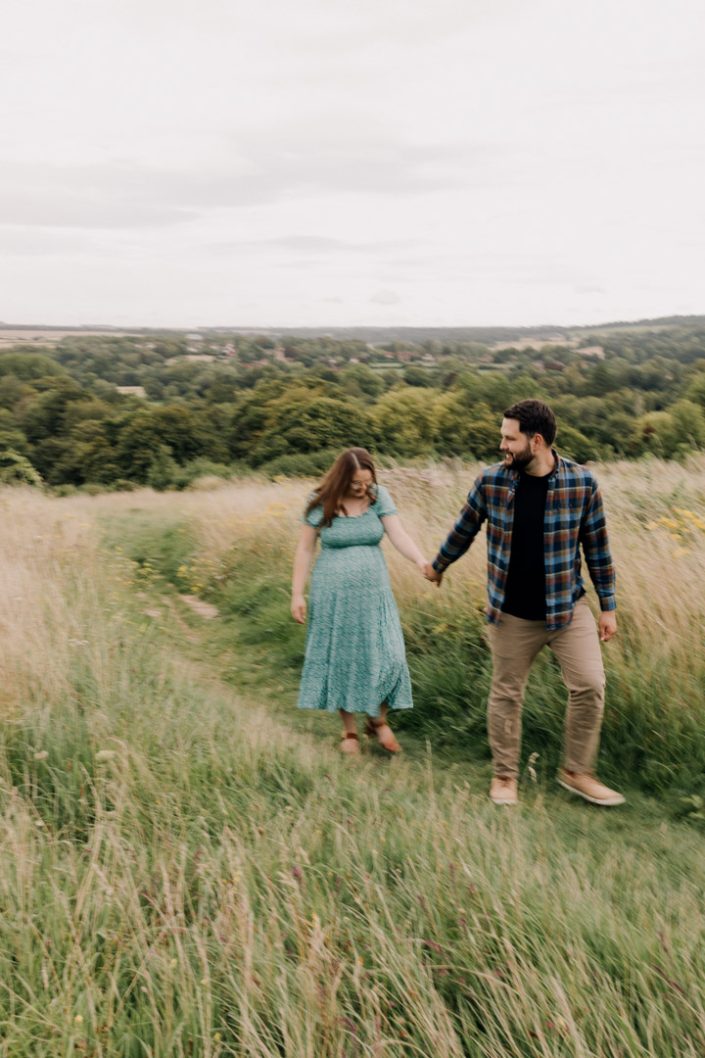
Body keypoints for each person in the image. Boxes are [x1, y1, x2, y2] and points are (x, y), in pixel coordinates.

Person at [424, 399, 624, 808]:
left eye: (508, 438)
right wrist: (438, 564)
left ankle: (577, 771)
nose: (502, 445)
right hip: (510, 612)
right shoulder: (492, 482)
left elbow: (597, 549)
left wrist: (608, 606)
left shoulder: (581, 484)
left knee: (590, 685)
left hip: (567, 609)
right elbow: (464, 528)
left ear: (536, 440)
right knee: (507, 693)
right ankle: (504, 775)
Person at [291, 448, 428, 754]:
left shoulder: (379, 497)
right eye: (355, 483)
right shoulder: (320, 501)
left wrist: (420, 561)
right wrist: (297, 594)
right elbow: (304, 549)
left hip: (374, 595)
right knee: (342, 658)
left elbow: (398, 534)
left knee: (388, 656)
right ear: (342, 477)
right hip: (332, 595)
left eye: (366, 482)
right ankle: (349, 731)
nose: (361, 488)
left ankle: (378, 720)